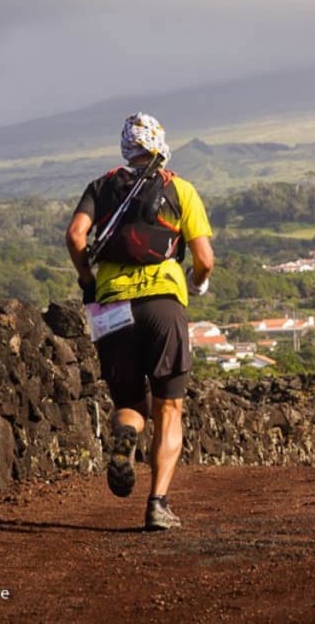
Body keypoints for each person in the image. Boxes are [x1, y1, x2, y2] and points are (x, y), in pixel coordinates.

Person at [66, 112, 214, 531]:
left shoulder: (101, 186)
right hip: (163, 305)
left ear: (125, 147)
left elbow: (76, 236)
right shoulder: (179, 189)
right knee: (169, 407)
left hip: (111, 307)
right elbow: (204, 259)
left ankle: (124, 440)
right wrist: (197, 285)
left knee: (129, 403)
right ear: (160, 145)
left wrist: (88, 280)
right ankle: (157, 504)